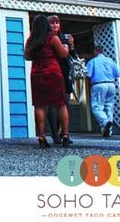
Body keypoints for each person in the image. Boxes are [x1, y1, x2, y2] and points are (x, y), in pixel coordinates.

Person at [25, 14, 70, 148]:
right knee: (60, 104)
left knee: (39, 105)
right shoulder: (53, 38)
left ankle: (42, 136)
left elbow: (27, 56)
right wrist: (66, 47)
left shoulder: (31, 40)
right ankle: (66, 136)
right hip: (53, 72)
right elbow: (63, 54)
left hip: (37, 74)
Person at [47, 15, 75, 144]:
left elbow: (72, 56)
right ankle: (54, 133)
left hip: (65, 73)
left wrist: (72, 46)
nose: (55, 25)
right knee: (53, 104)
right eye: (52, 23)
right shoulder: (46, 38)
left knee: (65, 102)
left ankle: (65, 134)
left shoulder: (65, 37)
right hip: (52, 73)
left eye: (57, 23)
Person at [86, 46, 120, 137]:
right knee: (109, 107)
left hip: (99, 84)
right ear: (102, 51)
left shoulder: (92, 61)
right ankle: (109, 131)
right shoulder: (110, 61)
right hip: (111, 84)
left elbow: (88, 75)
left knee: (97, 107)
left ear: (95, 51)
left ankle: (105, 123)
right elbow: (117, 74)